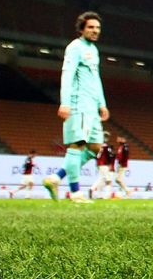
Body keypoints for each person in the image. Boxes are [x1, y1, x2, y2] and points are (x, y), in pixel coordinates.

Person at [43, 12, 108, 202]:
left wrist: (102, 103)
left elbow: (95, 78)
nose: (95, 31)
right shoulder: (75, 47)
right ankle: (75, 192)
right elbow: (67, 74)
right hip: (78, 103)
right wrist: (65, 102)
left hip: (92, 106)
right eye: (91, 27)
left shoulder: (93, 50)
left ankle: (55, 178)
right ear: (81, 29)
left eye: (97, 28)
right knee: (78, 144)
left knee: (95, 147)